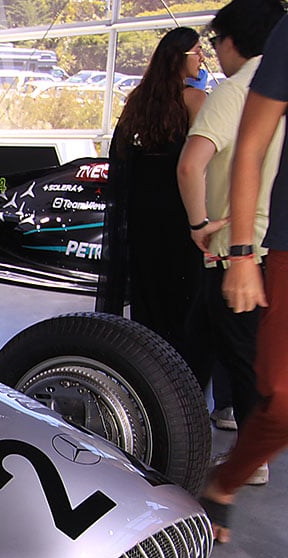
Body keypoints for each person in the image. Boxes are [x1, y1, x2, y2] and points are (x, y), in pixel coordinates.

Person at [176, 0, 285, 491]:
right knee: (197, 345)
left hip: (235, 249)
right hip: (263, 246)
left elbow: (190, 164)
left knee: (245, 359)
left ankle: (243, 462)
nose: (213, 55)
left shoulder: (235, 93)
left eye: (216, 43)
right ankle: (170, 430)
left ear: (233, 40)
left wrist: (200, 222)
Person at [200, 11, 288, 543]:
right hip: (281, 245)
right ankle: (223, 484)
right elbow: (249, 149)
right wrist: (240, 256)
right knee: (280, 393)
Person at [108, 28, 208, 373]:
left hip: (142, 213)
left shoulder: (138, 100)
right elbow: (197, 163)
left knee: (149, 296)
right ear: (179, 57)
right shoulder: (196, 100)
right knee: (184, 300)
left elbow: (119, 156)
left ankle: (147, 372)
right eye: (197, 51)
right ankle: (182, 377)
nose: (203, 58)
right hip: (179, 213)